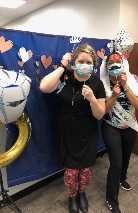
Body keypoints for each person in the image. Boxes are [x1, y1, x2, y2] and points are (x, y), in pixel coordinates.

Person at [39, 44, 106, 213]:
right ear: (74, 62)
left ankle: (82, 193)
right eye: (80, 61)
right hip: (66, 132)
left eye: (88, 62)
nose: (85, 64)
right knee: (70, 172)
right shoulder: (65, 77)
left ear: (94, 64)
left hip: (87, 133)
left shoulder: (97, 84)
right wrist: (62, 66)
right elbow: (44, 87)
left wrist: (92, 99)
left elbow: (99, 114)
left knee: (85, 171)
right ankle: (72, 196)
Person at [100, 51, 138, 213]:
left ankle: (122, 178)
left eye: (117, 62)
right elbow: (102, 111)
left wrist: (126, 86)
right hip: (110, 126)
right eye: (111, 64)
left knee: (126, 157)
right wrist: (113, 95)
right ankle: (112, 199)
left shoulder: (134, 79)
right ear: (106, 66)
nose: (114, 66)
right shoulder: (103, 83)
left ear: (123, 63)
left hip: (130, 127)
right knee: (116, 163)